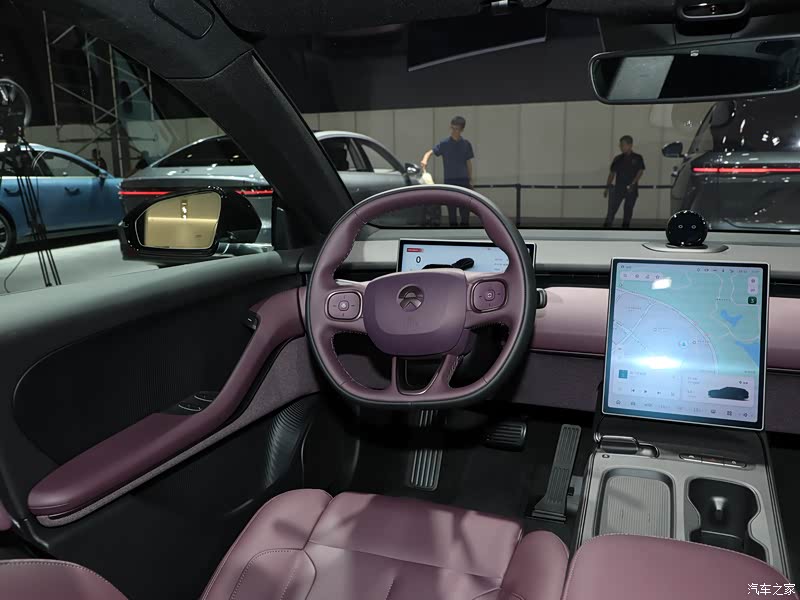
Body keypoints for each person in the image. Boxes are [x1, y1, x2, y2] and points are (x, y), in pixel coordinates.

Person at [421, 116, 474, 226]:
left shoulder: (466, 144)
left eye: (456, 129)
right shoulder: (445, 144)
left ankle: (465, 232)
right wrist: (425, 159)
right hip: (450, 182)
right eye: (452, 128)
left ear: (462, 130)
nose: (454, 131)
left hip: (464, 182)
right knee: (452, 213)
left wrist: (470, 180)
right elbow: (430, 152)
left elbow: (468, 163)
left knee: (465, 213)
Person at [604, 135, 645, 228]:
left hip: (631, 189)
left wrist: (633, 183)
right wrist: (607, 187)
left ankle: (625, 229)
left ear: (630, 145)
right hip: (618, 189)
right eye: (620, 145)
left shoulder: (637, 158)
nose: (621, 147)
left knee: (628, 211)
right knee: (611, 211)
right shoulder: (618, 159)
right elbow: (612, 173)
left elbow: (640, 171)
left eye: (623, 145)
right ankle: (606, 229)